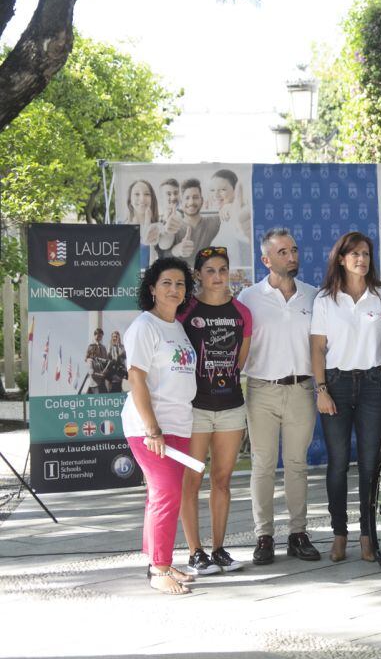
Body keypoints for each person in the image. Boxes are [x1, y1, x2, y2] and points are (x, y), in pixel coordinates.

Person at [311, 231, 381, 563]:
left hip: (372, 386)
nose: (361, 259)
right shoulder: (325, 300)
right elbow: (318, 348)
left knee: (369, 465)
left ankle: (367, 535)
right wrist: (320, 390)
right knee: (337, 464)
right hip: (334, 385)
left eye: (366, 253)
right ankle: (339, 535)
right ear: (341, 259)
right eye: (354, 254)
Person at [237, 228, 321, 564]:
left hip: (302, 388)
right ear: (266, 260)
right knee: (263, 466)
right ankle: (264, 537)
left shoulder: (314, 296)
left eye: (294, 250)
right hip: (261, 390)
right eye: (283, 252)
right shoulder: (247, 298)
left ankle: (298, 534)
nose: (292, 256)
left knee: (298, 466)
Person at [120, 257, 198, 595]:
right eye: (166, 282)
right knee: (166, 494)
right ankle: (159, 568)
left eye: (180, 284)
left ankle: (158, 558)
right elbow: (136, 378)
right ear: (152, 288)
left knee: (165, 495)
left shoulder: (176, 326)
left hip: (179, 423)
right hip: (150, 428)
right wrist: (152, 428)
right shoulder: (144, 326)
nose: (174, 289)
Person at [177, 246, 252, 574]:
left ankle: (219, 548)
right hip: (195, 409)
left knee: (222, 479)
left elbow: (240, 361)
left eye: (223, 270)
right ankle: (196, 552)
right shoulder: (185, 311)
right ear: (198, 275)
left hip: (230, 406)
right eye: (210, 270)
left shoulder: (242, 313)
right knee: (191, 479)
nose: (218, 276)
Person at [161, 178, 221, 268]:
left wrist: (227, 207)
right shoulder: (173, 225)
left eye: (195, 197)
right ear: (181, 202)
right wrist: (177, 250)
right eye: (187, 198)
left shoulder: (214, 222)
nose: (191, 202)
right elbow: (163, 255)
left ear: (202, 200)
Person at [208, 169, 252, 264]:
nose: (216, 194)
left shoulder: (236, 213)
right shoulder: (223, 217)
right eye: (212, 190)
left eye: (222, 190)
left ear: (235, 191)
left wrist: (232, 209)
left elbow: (242, 234)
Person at [125, 179, 162, 249]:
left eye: (147, 194)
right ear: (130, 201)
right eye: (137, 194)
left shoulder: (158, 227)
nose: (142, 199)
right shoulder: (123, 228)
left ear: (152, 199)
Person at [85, 328, 109, 394]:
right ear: (95, 335)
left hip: (102, 378)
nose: (99, 337)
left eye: (101, 336)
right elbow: (91, 370)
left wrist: (105, 370)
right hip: (95, 381)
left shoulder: (103, 348)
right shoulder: (91, 346)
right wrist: (100, 374)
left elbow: (106, 360)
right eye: (98, 335)